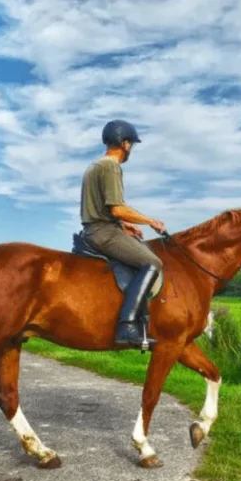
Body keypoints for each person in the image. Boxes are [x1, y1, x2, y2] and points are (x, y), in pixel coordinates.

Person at [79, 119, 167, 347]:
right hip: (103, 233)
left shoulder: (94, 166)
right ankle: (127, 326)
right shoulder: (111, 166)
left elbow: (102, 209)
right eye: (131, 145)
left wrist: (125, 226)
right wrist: (150, 221)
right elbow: (117, 208)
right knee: (153, 263)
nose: (131, 150)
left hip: (96, 227)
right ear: (125, 144)